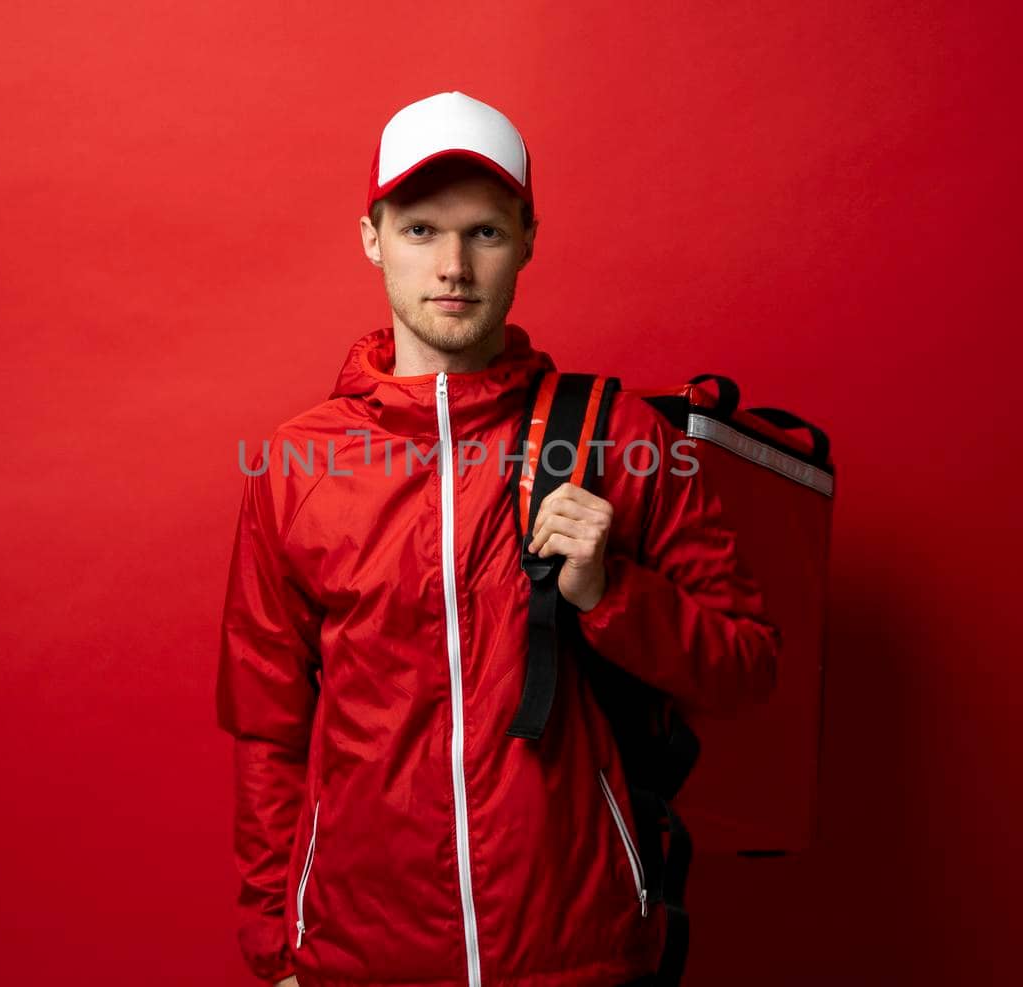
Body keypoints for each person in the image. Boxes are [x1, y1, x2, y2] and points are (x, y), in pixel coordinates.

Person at [215, 91, 780, 987]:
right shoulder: (296, 462)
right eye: (419, 230)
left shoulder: (616, 437)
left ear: (527, 238)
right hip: (363, 958)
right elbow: (266, 726)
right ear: (372, 238)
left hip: (578, 950)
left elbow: (748, 664)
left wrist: (611, 593)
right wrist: (277, 951)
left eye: (483, 232)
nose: (452, 265)